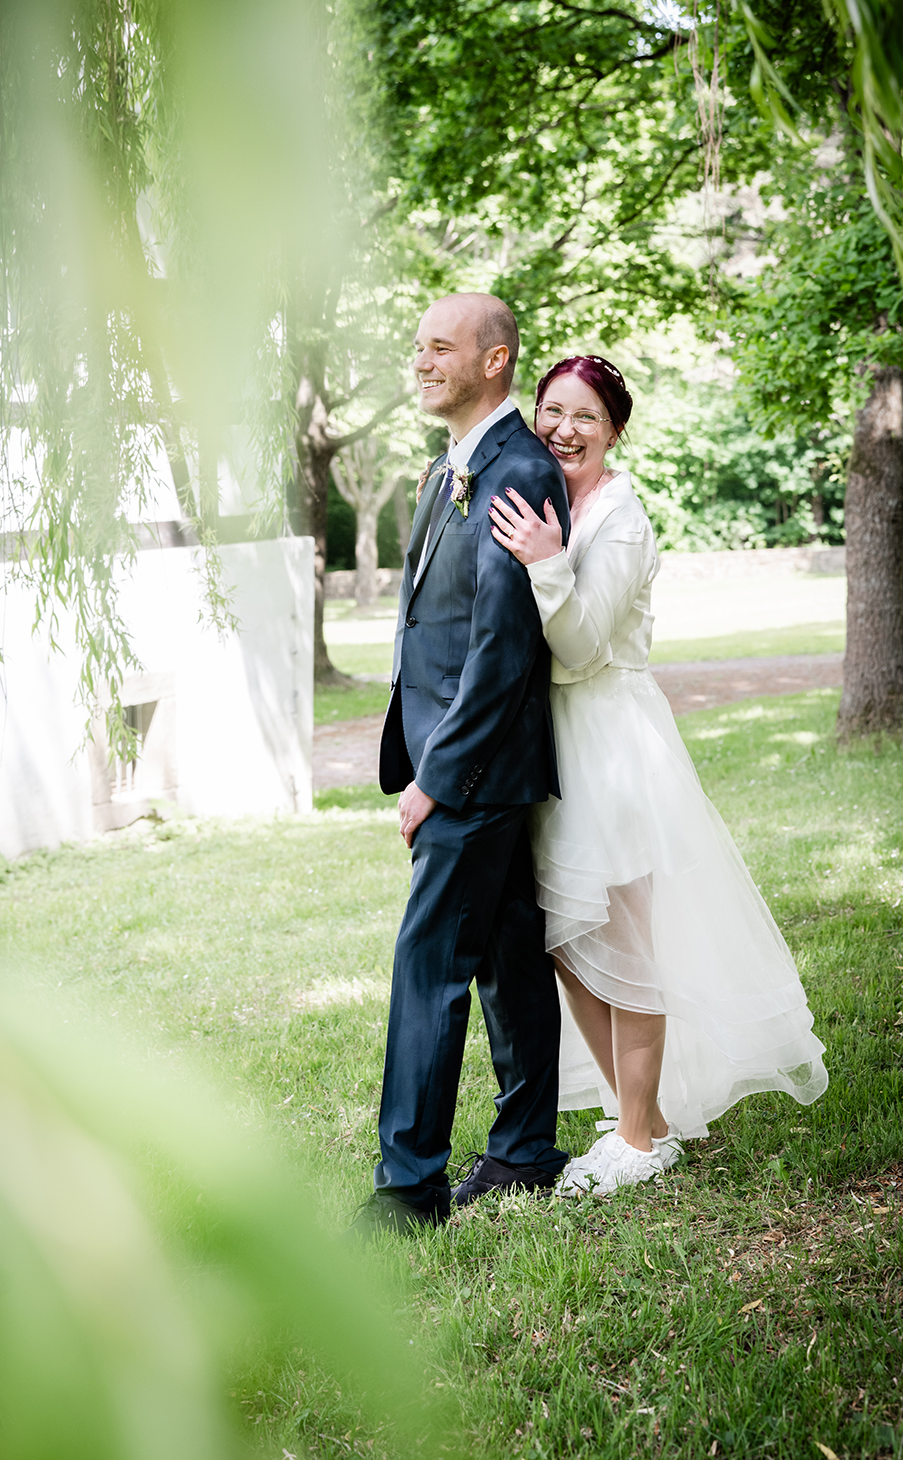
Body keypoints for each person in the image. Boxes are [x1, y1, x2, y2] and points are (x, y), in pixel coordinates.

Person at [489, 354, 828, 1193]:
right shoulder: (545, 502)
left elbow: (581, 646)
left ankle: (643, 1141)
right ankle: (632, 1113)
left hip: (610, 745)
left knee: (624, 943)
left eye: (585, 419)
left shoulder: (620, 519)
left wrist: (542, 561)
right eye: (552, 412)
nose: (564, 430)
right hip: (552, 747)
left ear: (613, 432)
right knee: (568, 942)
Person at [350, 293, 572, 1236]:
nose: (421, 360)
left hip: (472, 769)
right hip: (481, 763)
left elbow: (501, 648)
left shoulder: (518, 468)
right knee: (509, 956)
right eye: (417, 347)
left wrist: (435, 778)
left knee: (428, 963)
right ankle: (523, 1150)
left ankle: (409, 1188)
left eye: (439, 347)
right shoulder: (458, 466)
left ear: (494, 360)